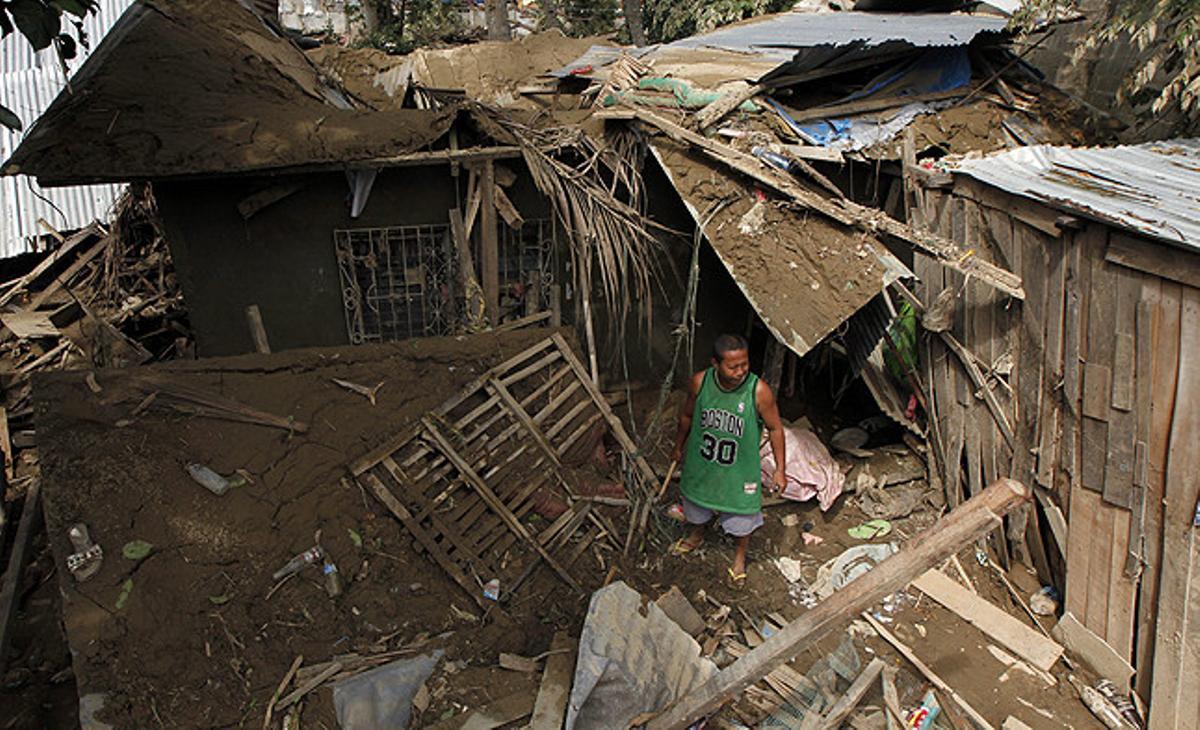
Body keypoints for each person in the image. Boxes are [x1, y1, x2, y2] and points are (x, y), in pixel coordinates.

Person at [670, 334, 787, 587]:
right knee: (696, 503)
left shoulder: (758, 391)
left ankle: (739, 557)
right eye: (733, 367)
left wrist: (780, 470)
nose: (741, 371)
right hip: (704, 463)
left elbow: (776, 429)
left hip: (739, 471)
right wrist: (678, 446)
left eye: (745, 364)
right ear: (716, 363)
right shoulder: (700, 382)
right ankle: (697, 534)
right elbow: (687, 416)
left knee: (742, 515)